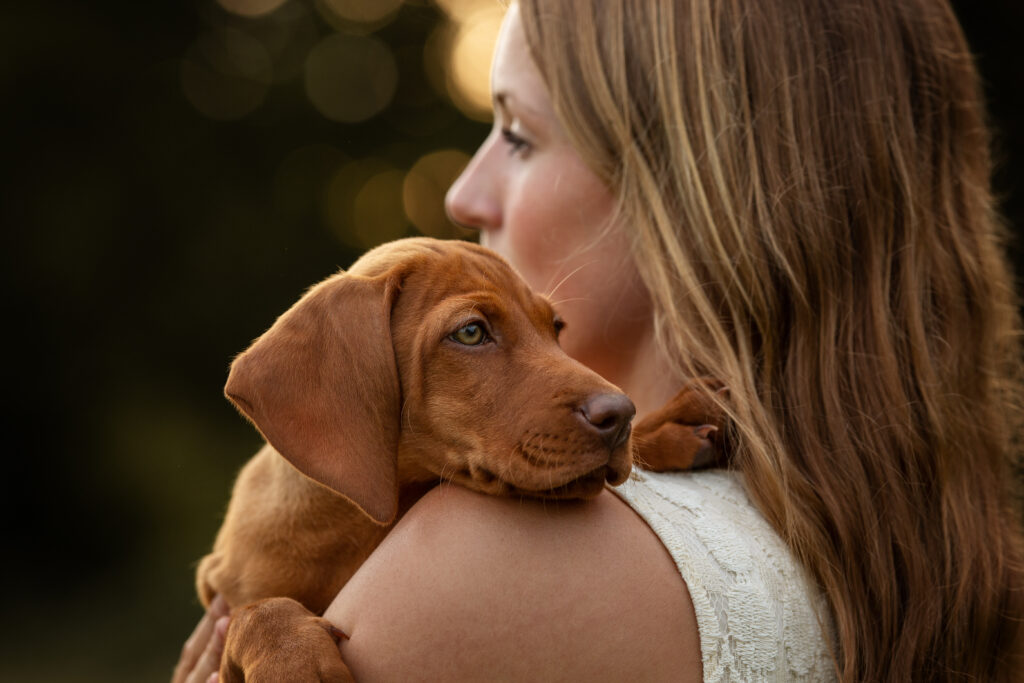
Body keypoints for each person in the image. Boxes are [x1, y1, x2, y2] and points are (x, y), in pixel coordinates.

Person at [175, 0, 1024, 680]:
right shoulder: (907, 539)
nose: (464, 192)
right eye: (474, 331)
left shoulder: (466, 578)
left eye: (516, 133)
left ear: (686, 187)